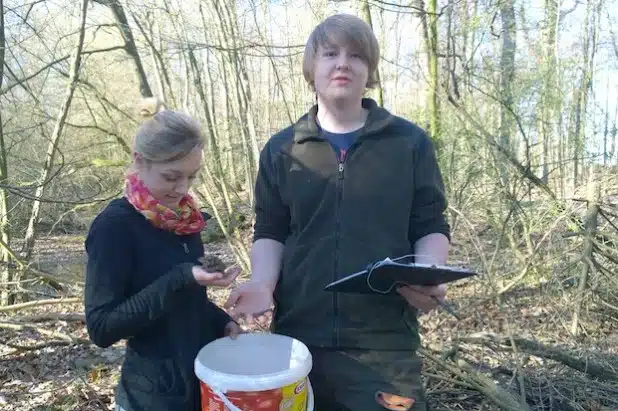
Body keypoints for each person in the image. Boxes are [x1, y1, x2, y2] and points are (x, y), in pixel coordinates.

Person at [224, 13, 450, 411]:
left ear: (370, 71)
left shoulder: (409, 143)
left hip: (386, 344)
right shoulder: (282, 149)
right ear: (311, 68)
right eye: (330, 53)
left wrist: (428, 273)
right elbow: (271, 230)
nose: (343, 63)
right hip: (298, 341)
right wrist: (261, 283)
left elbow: (430, 223)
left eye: (356, 56)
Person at [83, 98, 241, 411]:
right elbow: (101, 328)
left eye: (192, 176)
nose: (182, 188)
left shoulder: (186, 220)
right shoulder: (114, 227)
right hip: (151, 398)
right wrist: (182, 277)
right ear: (139, 161)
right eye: (171, 176)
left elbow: (187, 301)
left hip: (201, 388)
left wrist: (221, 321)